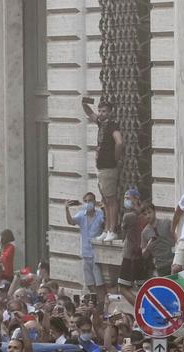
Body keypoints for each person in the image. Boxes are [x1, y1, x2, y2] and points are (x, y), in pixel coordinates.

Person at [81, 97, 123, 241]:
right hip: (102, 167)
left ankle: (112, 229)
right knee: (105, 200)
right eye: (100, 110)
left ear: (110, 112)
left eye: (104, 111)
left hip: (108, 166)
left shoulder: (112, 126)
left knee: (111, 200)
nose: (100, 113)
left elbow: (119, 142)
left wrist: (116, 158)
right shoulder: (101, 124)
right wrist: (84, 103)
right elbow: (89, 113)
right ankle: (107, 229)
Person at [66, 193, 105, 299]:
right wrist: (66, 209)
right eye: (86, 201)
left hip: (96, 254)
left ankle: (101, 302)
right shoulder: (81, 215)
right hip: (85, 253)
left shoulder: (100, 215)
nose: (88, 203)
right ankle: (95, 301)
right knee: (89, 282)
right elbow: (71, 221)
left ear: (94, 202)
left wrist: (105, 210)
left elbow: (105, 225)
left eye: (91, 201)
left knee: (99, 283)